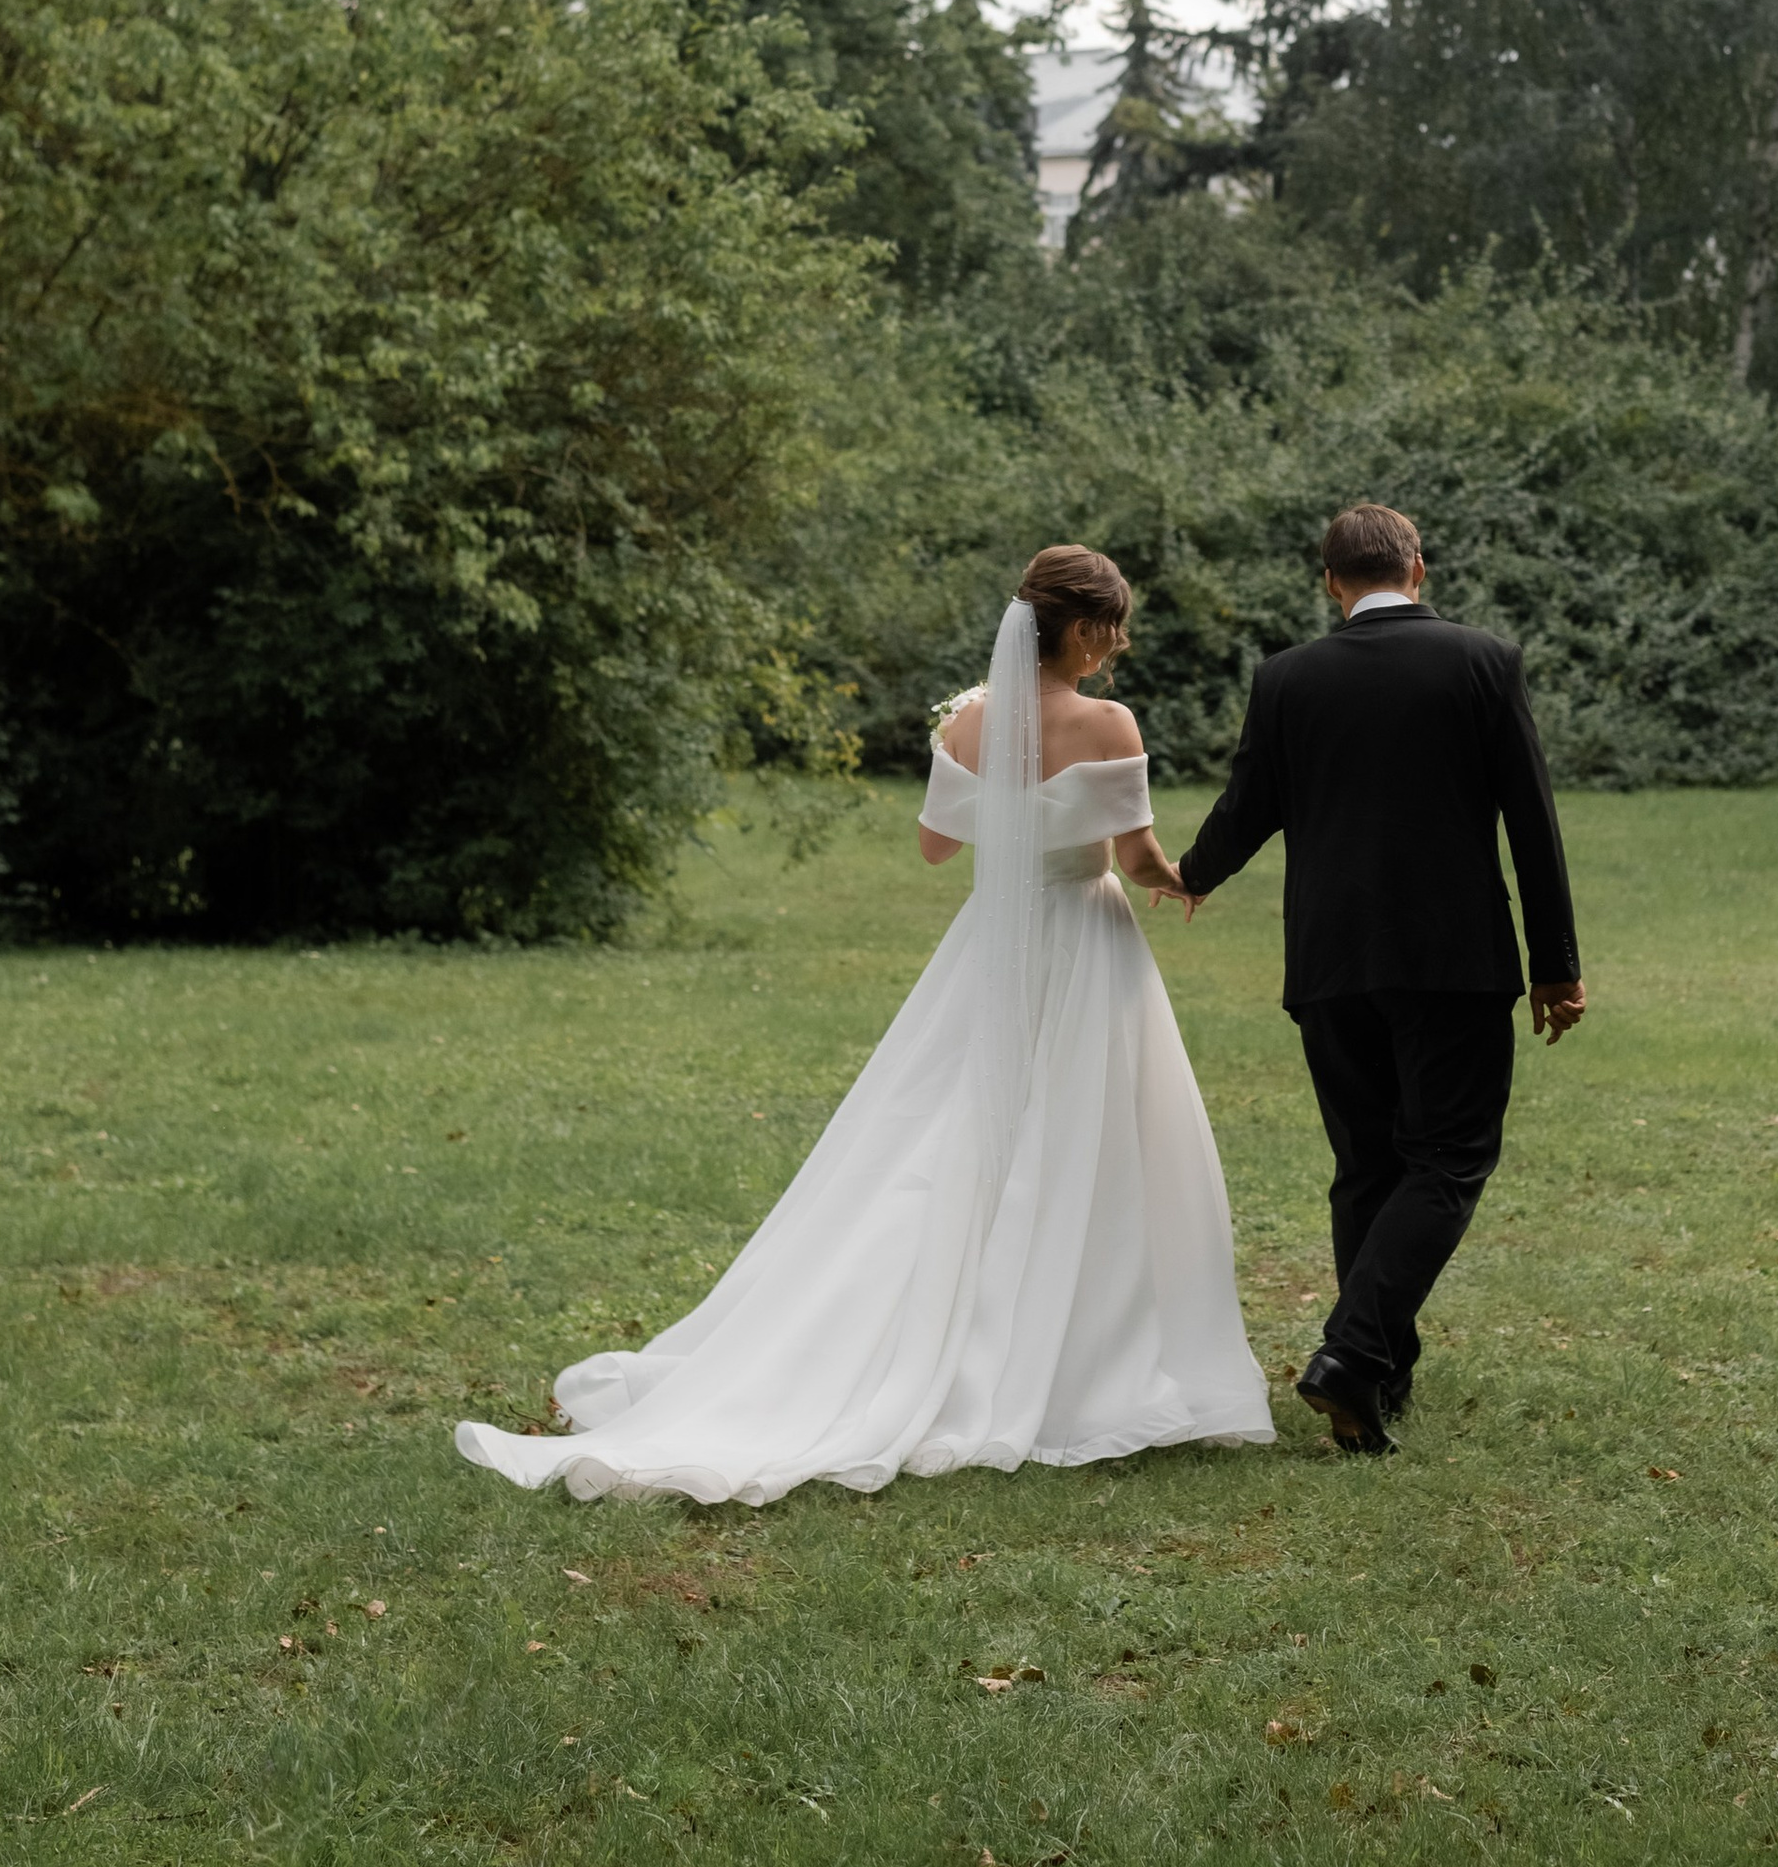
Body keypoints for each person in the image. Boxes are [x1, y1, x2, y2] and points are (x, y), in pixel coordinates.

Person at [455, 547, 1273, 1502]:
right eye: (1113, 630)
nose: (1116, 650)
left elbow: (935, 846)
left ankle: (930, 1323)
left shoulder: (972, 721)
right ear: (1083, 629)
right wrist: (1184, 880)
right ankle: (1074, 1356)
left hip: (992, 948)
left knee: (957, 1129)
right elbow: (1133, 856)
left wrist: (983, 757)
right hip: (1084, 944)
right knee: (1092, 1140)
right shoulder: (1106, 721)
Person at [1172, 502, 1583, 1456]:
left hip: (1329, 962)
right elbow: (1532, 820)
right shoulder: (1485, 662)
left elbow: (1249, 806)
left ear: (1331, 582)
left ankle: (1379, 1379)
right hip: (1454, 961)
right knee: (1446, 1159)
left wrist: (1190, 873)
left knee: (1368, 1167)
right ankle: (1355, 1354)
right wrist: (1555, 968)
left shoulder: (1286, 677)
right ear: (1419, 568)